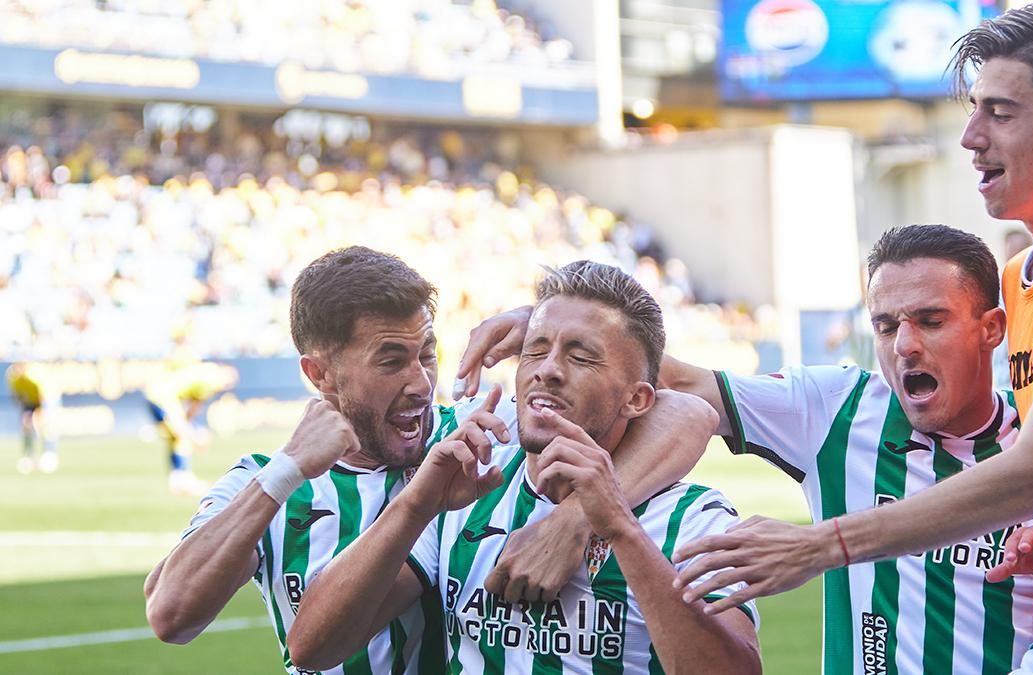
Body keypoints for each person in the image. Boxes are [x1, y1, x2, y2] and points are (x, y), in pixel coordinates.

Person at [669, 4, 1033, 672]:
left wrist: (821, 545)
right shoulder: (1022, 277)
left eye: (1001, 112)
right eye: (974, 110)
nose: (970, 136)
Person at [455, 226, 1033, 674]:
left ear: (991, 328)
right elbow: (678, 391)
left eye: (932, 320)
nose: (906, 345)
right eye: (887, 326)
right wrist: (545, 324)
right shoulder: (839, 409)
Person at [144, 247, 710, 675]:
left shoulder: (473, 439)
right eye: (391, 360)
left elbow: (686, 414)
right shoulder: (264, 481)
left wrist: (574, 520)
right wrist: (287, 469)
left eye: (428, 354)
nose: (420, 384)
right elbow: (172, 615)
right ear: (318, 374)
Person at [287, 260, 761, 674]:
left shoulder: (693, 521)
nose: (547, 369)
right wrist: (415, 503)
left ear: (637, 399)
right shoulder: (471, 487)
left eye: (581, 356)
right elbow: (313, 646)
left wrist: (613, 526)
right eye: (534, 349)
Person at [143, 360, 238, 495]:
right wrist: (191, 431)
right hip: (163, 398)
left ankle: (178, 479)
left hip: (157, 394)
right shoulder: (212, 380)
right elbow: (194, 406)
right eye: (230, 377)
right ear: (224, 371)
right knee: (183, 436)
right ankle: (183, 479)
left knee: (178, 438)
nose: (230, 384)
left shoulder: (206, 370)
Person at [6, 361, 59, 474]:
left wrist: (40, 415)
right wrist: (26, 416)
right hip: (29, 401)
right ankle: (28, 456)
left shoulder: (34, 377)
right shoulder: (12, 376)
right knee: (26, 426)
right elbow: (18, 396)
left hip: (46, 398)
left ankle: (49, 454)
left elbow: (44, 398)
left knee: (44, 425)